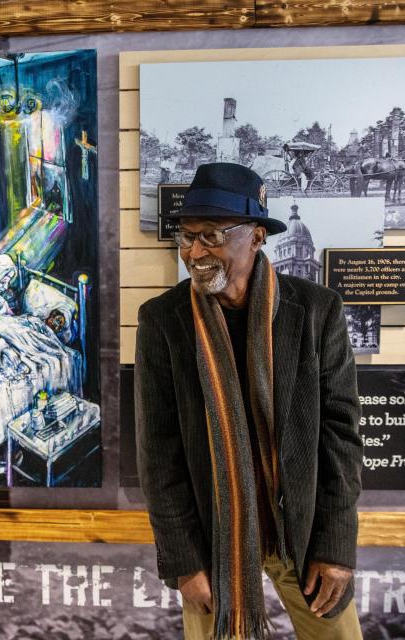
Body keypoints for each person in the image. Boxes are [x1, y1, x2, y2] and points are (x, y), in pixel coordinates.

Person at [135, 162, 363, 640]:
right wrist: (184, 560)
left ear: (256, 236)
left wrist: (337, 546)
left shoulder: (318, 311)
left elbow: (340, 436)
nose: (194, 251)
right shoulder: (162, 320)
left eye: (211, 236)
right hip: (214, 538)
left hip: (300, 531)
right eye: (186, 236)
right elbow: (159, 451)